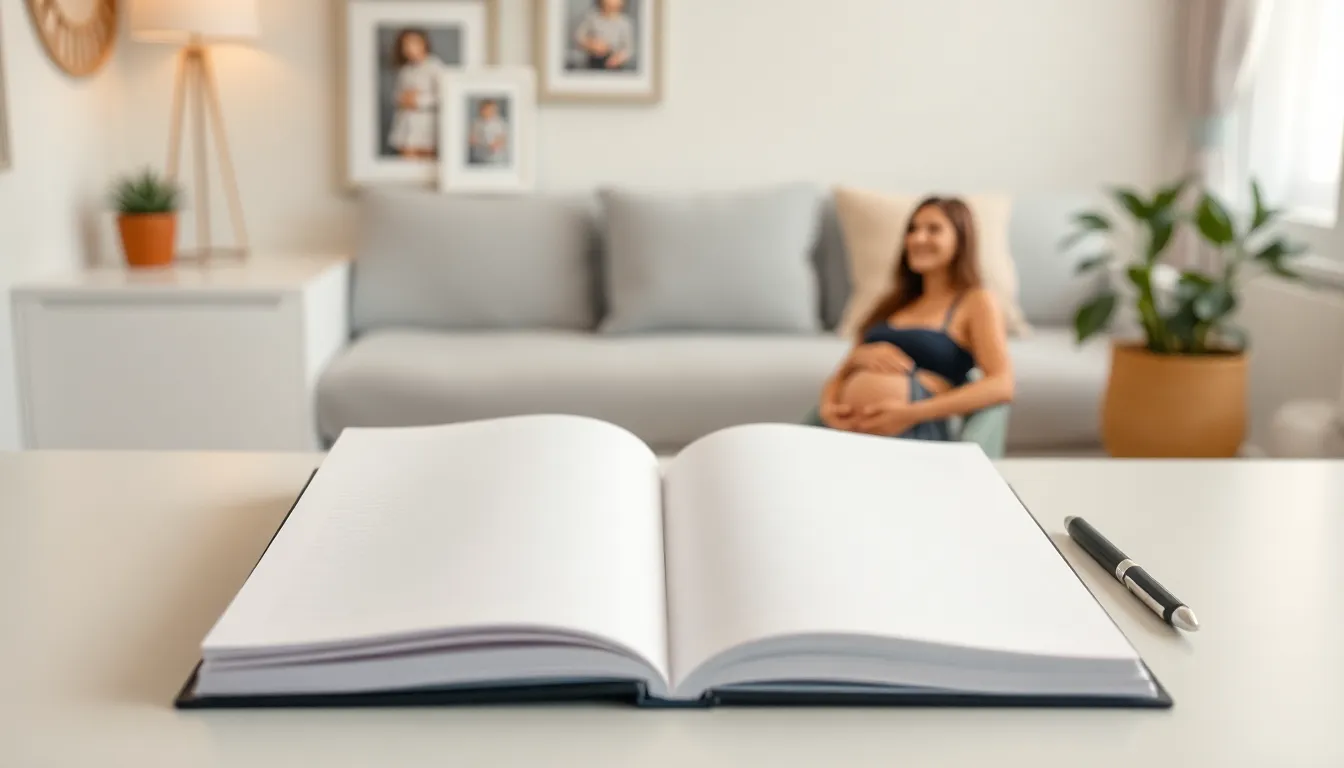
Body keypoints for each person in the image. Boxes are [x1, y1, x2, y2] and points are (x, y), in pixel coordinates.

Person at [812, 196, 1014, 440]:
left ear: (960, 239)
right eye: (912, 229)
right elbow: (841, 374)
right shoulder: (891, 304)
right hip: (845, 433)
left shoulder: (975, 301)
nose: (917, 238)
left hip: (913, 431)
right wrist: (829, 405)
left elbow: (1001, 384)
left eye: (933, 229)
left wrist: (911, 413)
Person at [388, 28, 447, 159]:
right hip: (406, 125)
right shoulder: (405, 70)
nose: (409, 48)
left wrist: (418, 100)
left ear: (424, 44)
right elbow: (397, 95)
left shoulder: (435, 66)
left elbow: (444, 96)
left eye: (414, 43)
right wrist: (403, 98)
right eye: (406, 44)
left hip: (427, 125)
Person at [572, 0, 636, 70]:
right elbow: (578, 36)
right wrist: (590, 44)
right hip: (593, 61)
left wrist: (618, 58)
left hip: (614, 64)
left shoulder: (625, 23)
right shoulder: (592, 18)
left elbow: (628, 49)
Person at [468, 99, 509, 165]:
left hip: (497, 160)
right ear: (481, 110)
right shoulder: (476, 123)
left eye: (491, 110)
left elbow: (504, 139)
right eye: (486, 109)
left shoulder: (501, 123)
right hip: (479, 159)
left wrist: (497, 144)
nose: (488, 112)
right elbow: (471, 140)